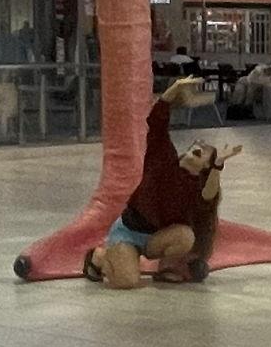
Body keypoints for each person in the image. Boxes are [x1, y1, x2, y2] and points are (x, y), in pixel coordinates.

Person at [84, 78, 239, 287]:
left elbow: (209, 197)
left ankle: (166, 266)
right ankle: (99, 257)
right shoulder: (163, 157)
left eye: (206, 151)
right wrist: (173, 90)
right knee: (126, 282)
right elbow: (157, 121)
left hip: (156, 238)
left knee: (185, 236)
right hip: (129, 231)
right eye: (198, 143)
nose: (199, 145)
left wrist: (219, 163)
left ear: (205, 166)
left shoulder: (197, 187)